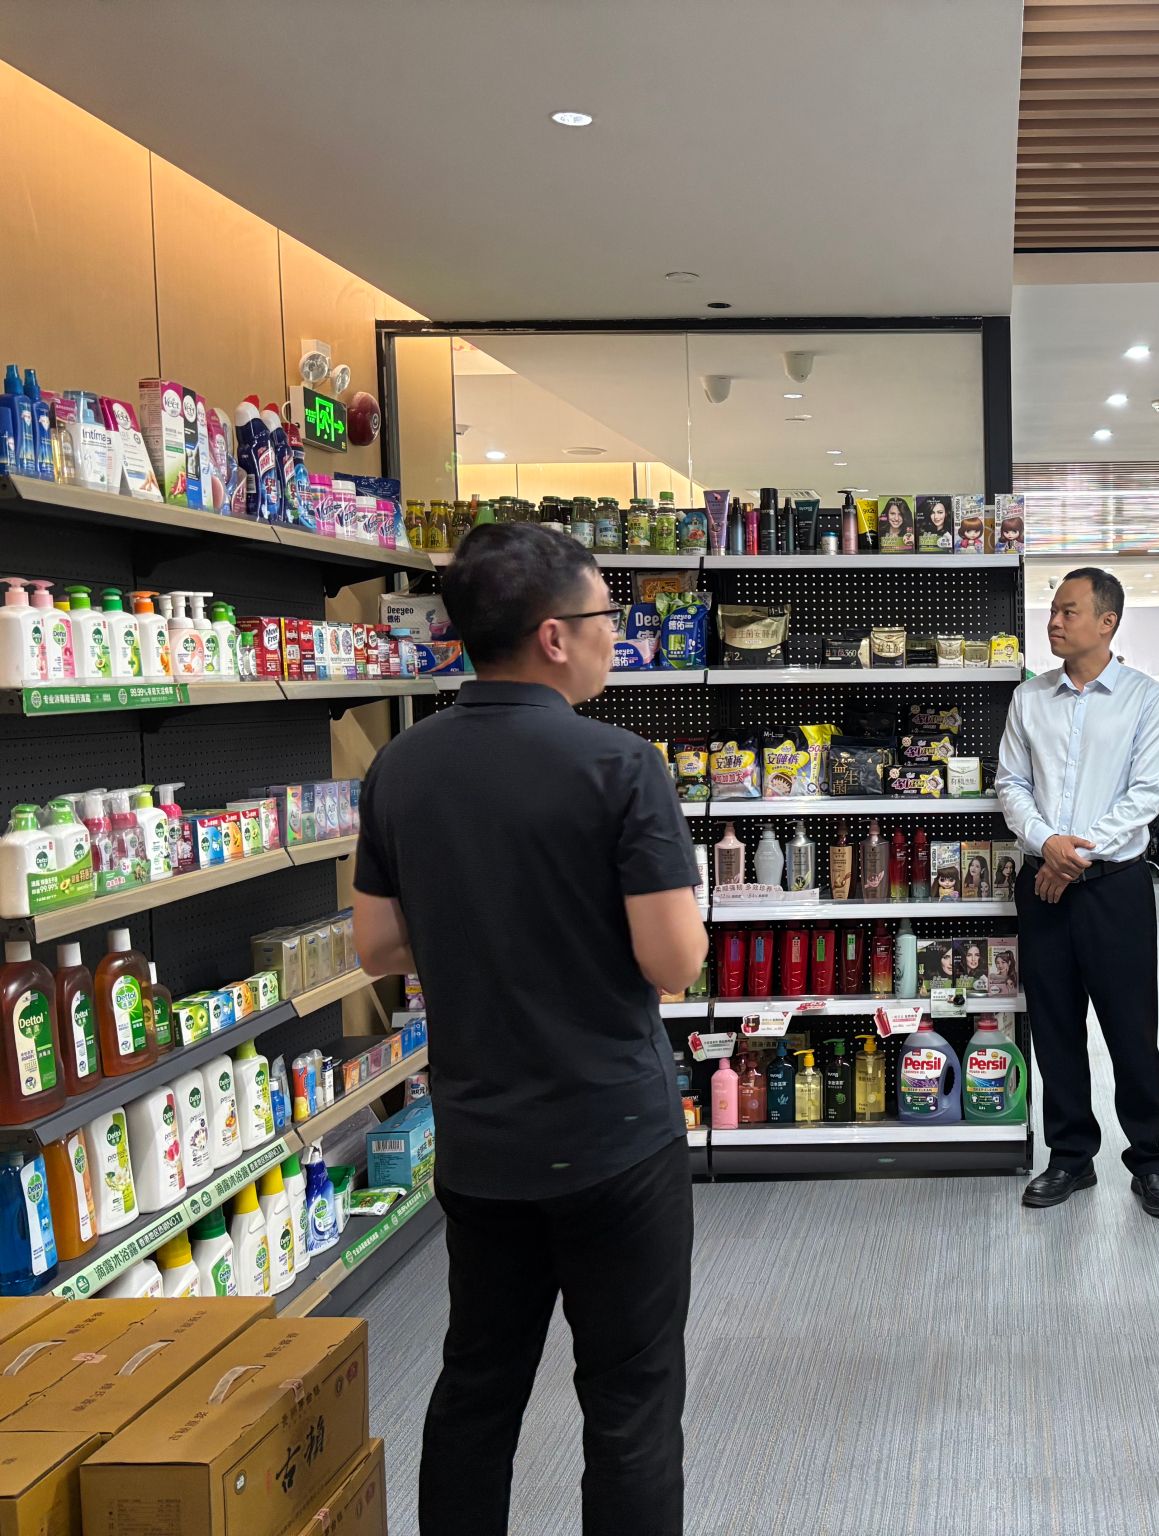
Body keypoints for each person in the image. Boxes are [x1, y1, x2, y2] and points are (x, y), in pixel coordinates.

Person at [351, 522, 708, 1536]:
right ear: (554, 635)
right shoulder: (620, 766)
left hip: (480, 1139)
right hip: (612, 1138)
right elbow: (673, 962)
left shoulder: (400, 766)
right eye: (604, 616)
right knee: (630, 1405)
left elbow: (377, 946)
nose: (613, 636)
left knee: (477, 1387)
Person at [997, 566, 1159, 1218]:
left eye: (1069, 611)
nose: (1054, 621)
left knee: (1132, 1029)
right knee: (1054, 1027)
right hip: (1042, 884)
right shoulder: (1030, 698)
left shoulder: (1145, 699)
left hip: (1114, 888)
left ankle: (1150, 1162)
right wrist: (1047, 842)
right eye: (1053, 610)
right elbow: (1011, 784)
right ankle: (1070, 1157)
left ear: (1108, 622)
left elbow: (1144, 796)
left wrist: (1074, 856)